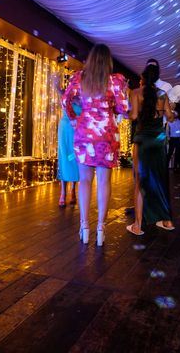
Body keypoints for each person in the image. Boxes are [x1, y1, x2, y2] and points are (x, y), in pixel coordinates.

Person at [63, 44, 128, 246]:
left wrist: (75, 120)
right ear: (108, 60)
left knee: (84, 181)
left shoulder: (79, 78)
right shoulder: (115, 80)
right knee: (104, 182)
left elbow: (66, 100)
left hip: (84, 133)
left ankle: (84, 226)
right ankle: (101, 228)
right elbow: (124, 109)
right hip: (107, 135)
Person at [126, 64, 175, 235]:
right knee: (160, 178)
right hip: (159, 140)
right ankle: (167, 221)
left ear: (144, 78)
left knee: (140, 181)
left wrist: (124, 112)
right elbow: (170, 117)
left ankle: (138, 225)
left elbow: (132, 116)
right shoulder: (162, 94)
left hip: (143, 140)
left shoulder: (136, 93)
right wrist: (172, 111)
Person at [55, 76, 80, 207]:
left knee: (74, 159)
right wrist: (56, 85)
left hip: (77, 130)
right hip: (64, 128)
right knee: (64, 158)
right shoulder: (66, 94)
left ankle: (73, 190)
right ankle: (63, 192)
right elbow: (60, 91)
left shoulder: (83, 96)